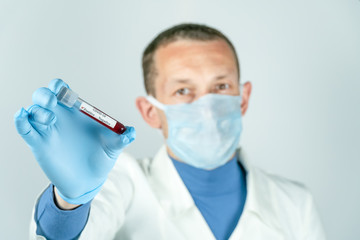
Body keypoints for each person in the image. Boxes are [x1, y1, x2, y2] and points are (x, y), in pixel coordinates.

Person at [14, 23, 326, 240]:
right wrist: (68, 203)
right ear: (151, 111)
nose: (206, 105)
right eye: (182, 91)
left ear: (242, 98)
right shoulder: (125, 183)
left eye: (221, 86)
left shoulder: (295, 203)